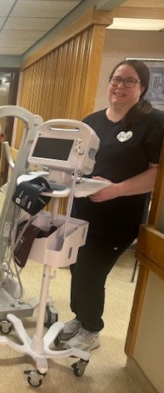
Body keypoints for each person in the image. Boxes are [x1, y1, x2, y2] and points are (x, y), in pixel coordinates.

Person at [59, 59, 164, 352]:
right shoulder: (92, 122)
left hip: (119, 218)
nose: (120, 86)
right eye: (116, 79)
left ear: (142, 87)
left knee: (90, 272)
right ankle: (81, 318)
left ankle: (92, 330)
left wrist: (116, 190)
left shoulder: (153, 123)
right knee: (76, 267)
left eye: (129, 81)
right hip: (83, 212)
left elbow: (157, 174)